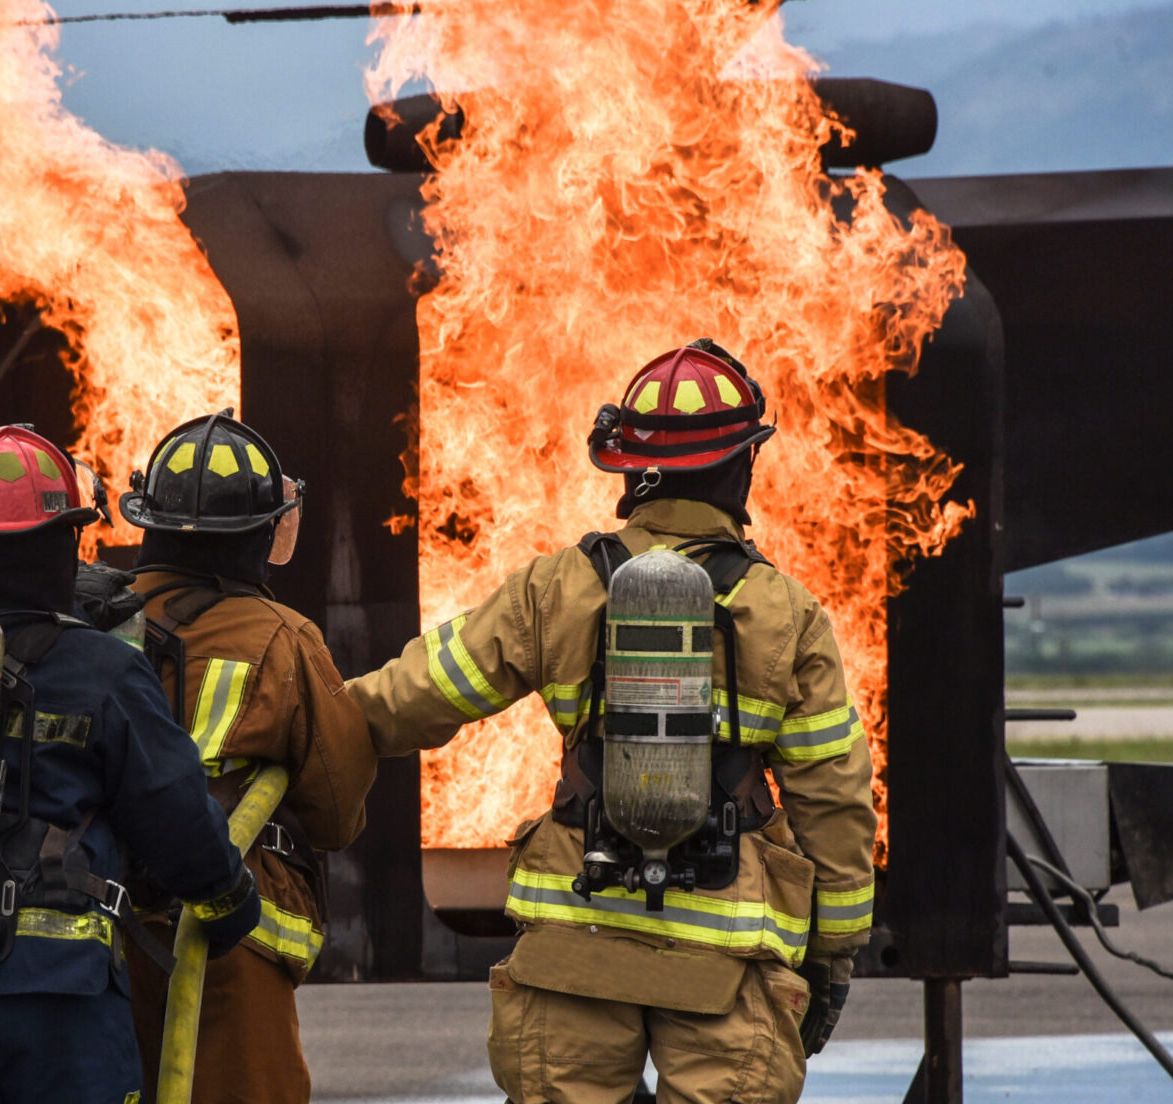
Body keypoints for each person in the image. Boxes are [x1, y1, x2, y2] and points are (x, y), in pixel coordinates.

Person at [349, 341, 877, 1104]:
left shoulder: (556, 587)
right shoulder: (784, 613)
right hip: (727, 965)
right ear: (741, 467)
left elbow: (412, 696)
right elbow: (834, 802)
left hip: (574, 947)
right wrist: (833, 953)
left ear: (629, 468)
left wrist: (303, 721)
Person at [0, 424, 261, 1104]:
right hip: (55, 988)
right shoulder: (104, 671)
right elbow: (174, 812)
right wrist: (228, 903)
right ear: (62, 541)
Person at [114, 411, 377, 1104]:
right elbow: (337, 810)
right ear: (264, 532)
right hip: (228, 932)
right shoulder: (282, 639)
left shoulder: (94, 627)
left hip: (99, 937)